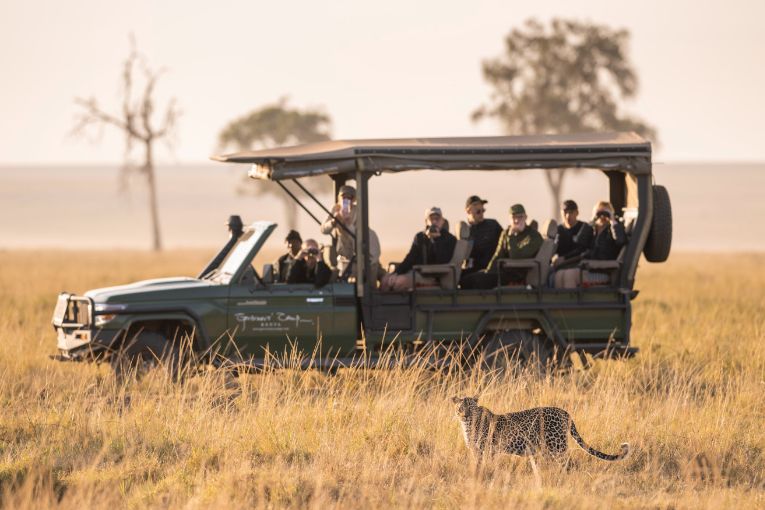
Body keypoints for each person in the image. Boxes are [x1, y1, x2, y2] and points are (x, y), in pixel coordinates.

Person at [460, 204, 543, 289]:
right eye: (513, 218)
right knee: (465, 279)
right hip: (503, 273)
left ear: (525, 217)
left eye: (520, 217)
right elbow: (498, 255)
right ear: (509, 219)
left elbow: (515, 256)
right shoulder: (505, 233)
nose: (517, 220)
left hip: (518, 275)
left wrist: (512, 236)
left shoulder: (533, 236)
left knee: (476, 282)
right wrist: (488, 271)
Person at [381, 207, 457, 292]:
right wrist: (396, 273)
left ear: (442, 221)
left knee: (399, 282)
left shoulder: (450, 239)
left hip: (434, 276)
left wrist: (435, 240)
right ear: (426, 222)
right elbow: (410, 258)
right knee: (385, 281)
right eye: (431, 219)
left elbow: (443, 260)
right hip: (416, 273)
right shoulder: (420, 237)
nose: (434, 221)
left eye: (437, 218)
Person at [554, 201, 627, 288]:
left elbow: (621, 241)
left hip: (603, 271)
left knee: (570, 275)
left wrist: (612, 220)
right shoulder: (593, 230)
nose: (602, 216)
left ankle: (571, 300)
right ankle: (561, 301)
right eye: (599, 213)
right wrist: (592, 221)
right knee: (560, 274)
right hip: (589, 268)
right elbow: (579, 242)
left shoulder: (612, 229)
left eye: (605, 213)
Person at [320, 184, 381, 280]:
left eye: (350, 197)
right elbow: (324, 230)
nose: (346, 200)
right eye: (344, 197)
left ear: (354, 199)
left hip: (361, 253)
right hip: (344, 253)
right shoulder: (335, 209)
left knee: (369, 273)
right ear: (339, 198)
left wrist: (348, 224)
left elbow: (360, 235)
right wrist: (333, 222)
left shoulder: (358, 211)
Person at [462, 195, 503, 275]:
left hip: (494, 269)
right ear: (468, 211)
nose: (481, 214)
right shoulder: (465, 232)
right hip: (474, 271)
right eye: (478, 211)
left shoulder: (493, 225)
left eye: (483, 210)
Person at [552, 199, 588, 269]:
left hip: (577, 263)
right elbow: (554, 250)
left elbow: (582, 250)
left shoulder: (584, 228)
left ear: (577, 213)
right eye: (565, 212)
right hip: (560, 264)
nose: (568, 216)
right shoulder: (559, 230)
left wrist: (565, 258)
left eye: (571, 212)